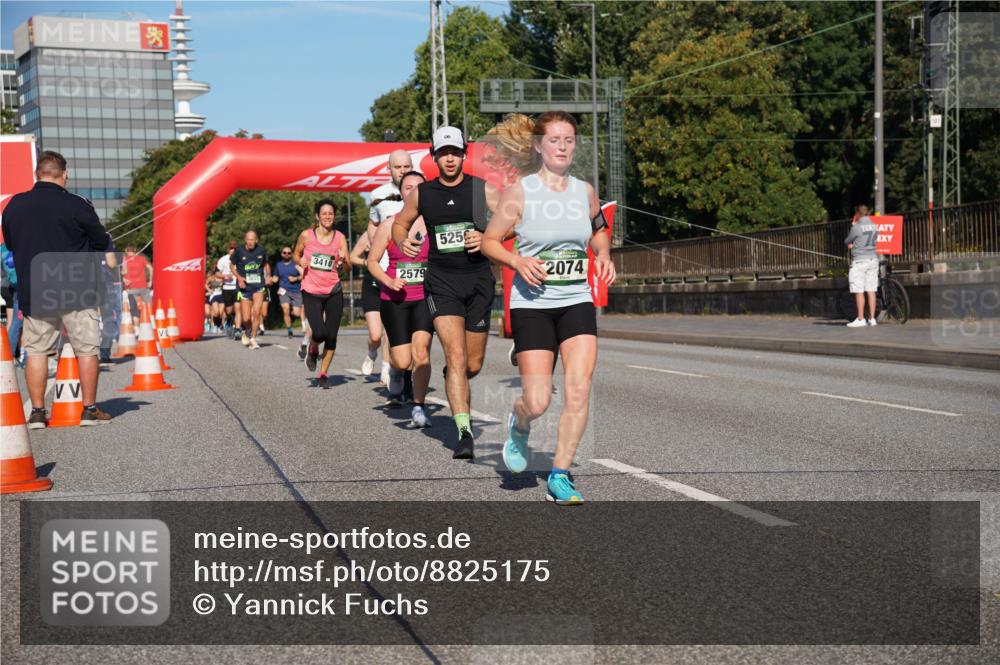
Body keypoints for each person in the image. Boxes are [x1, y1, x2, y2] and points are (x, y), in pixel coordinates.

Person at [482, 111, 616, 504]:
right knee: (538, 401)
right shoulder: (520, 193)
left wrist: (604, 254)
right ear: (539, 146)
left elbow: (598, 229)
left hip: (575, 299)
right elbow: (490, 240)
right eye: (554, 140)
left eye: (569, 140)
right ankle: (519, 422)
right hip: (532, 304)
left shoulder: (584, 191)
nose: (562, 146)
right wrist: (517, 261)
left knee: (578, 388)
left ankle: (560, 474)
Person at [392, 126, 493, 460]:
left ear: (464, 154)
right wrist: (401, 239)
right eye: (443, 153)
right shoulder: (423, 194)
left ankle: (456, 378)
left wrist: (488, 238)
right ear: (434, 157)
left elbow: (513, 222)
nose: (450, 159)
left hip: (478, 280)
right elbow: (399, 223)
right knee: (456, 355)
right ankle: (463, 432)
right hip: (442, 281)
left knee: (472, 365)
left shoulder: (481, 190)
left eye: (455, 152)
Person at [1, 150, 113, 427]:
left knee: (37, 350)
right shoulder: (78, 204)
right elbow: (100, 242)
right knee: (86, 349)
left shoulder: (14, 206)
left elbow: (12, 246)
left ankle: (37, 412)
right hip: (78, 287)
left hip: (36, 287)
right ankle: (89, 409)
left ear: (37, 175)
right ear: (65, 174)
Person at [367, 171, 432, 427]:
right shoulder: (388, 225)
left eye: (419, 187)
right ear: (401, 192)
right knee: (403, 361)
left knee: (422, 354)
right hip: (395, 299)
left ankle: (418, 406)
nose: (413, 191)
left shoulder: (433, 225)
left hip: (424, 298)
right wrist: (388, 281)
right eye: (408, 187)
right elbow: (372, 262)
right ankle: (395, 370)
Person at [357, 149, 414, 385]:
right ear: (389, 169)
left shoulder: (421, 191)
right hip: (386, 271)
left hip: (413, 270)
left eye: (406, 167)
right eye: (398, 167)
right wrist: (376, 252)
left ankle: (390, 368)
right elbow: (373, 224)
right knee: (378, 331)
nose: (402, 171)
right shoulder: (378, 195)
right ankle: (380, 358)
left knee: (399, 328)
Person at [294, 199, 348, 388]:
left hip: (334, 290)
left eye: (331, 213)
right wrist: (300, 261)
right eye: (324, 213)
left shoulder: (340, 238)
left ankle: (323, 373)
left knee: (332, 336)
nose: (327, 217)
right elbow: (296, 254)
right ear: (317, 216)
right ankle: (313, 347)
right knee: (319, 332)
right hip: (311, 290)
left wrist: (344, 261)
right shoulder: (307, 236)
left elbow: (347, 270)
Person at [231, 230, 270, 349]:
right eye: (248, 239)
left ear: (256, 240)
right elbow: (232, 266)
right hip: (244, 286)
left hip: (258, 285)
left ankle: (253, 338)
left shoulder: (262, 250)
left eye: (252, 239)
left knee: (257, 312)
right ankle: (248, 329)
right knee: (246, 317)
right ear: (245, 240)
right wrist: (239, 278)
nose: (250, 242)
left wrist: (268, 275)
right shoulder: (239, 251)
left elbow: (266, 265)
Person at [845, 204, 879, 328]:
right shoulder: (875, 226)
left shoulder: (857, 227)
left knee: (859, 290)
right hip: (873, 259)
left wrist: (853, 225)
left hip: (860, 261)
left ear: (858, 214)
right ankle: (872, 318)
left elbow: (847, 241)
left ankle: (860, 318)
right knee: (871, 290)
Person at [274, 246, 303, 338]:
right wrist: (272, 279)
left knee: (297, 313)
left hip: (296, 291)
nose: (287, 254)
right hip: (284, 290)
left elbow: (303, 275)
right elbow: (275, 277)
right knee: (285, 309)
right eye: (285, 253)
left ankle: (293, 311)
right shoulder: (278, 265)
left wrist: (296, 278)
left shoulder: (296, 264)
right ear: (281, 254)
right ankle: (290, 330)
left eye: (289, 253)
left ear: (292, 254)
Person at [98, 249, 121, 366]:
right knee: (108, 320)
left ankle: (83, 355)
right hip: (105, 286)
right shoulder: (105, 241)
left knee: (84, 319)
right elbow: (111, 263)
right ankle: (104, 355)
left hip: (84, 284)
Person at [216, 240, 239, 337]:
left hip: (238, 287)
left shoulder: (241, 259)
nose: (233, 250)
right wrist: (224, 276)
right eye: (231, 248)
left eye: (235, 248)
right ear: (228, 249)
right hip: (227, 288)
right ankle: (229, 320)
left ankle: (237, 328)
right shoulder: (223, 260)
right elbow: (217, 273)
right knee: (229, 310)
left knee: (238, 308)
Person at [121, 244, 152, 316]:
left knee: (134, 309)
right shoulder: (142, 259)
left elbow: (123, 272)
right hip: (143, 286)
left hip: (131, 287)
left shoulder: (125, 259)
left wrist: (123, 278)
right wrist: (150, 281)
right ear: (135, 251)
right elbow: (150, 268)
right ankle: (150, 322)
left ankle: (136, 324)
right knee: (149, 306)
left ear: (126, 251)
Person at [205, 268, 225, 333]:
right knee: (216, 312)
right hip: (214, 296)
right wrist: (209, 290)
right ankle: (215, 325)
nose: (220, 273)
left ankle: (219, 325)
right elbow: (205, 284)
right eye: (218, 272)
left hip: (221, 296)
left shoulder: (223, 278)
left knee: (221, 312)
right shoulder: (211, 278)